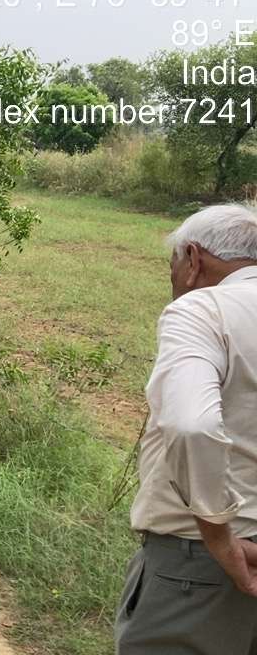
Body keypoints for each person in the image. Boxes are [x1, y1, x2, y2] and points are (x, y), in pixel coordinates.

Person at [117, 203, 257, 653]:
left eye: (172, 265)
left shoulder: (203, 310)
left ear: (193, 259)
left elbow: (191, 425)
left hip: (199, 565)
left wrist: (218, 534)